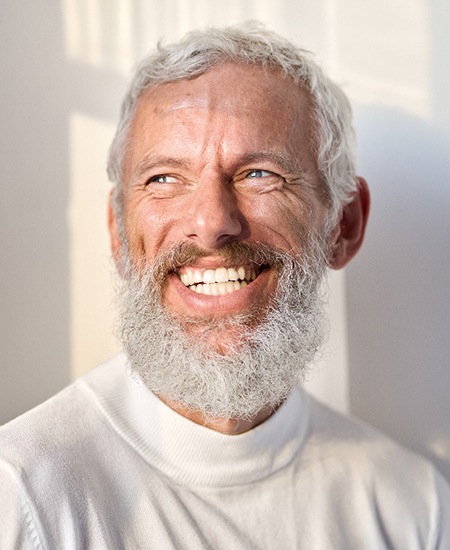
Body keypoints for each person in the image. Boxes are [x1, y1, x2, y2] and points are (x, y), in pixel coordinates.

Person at [1, 22, 449, 549]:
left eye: (260, 174)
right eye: (164, 179)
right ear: (120, 234)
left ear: (344, 226)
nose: (212, 222)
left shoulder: (413, 507)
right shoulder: (23, 495)